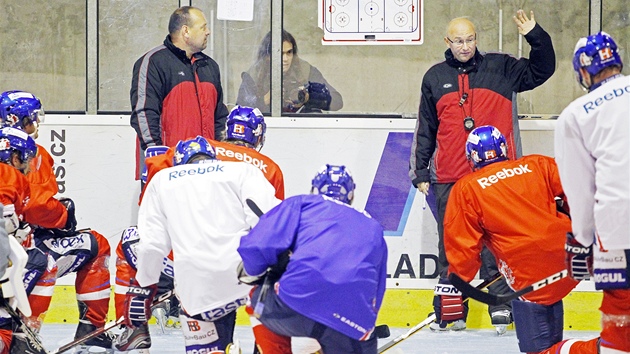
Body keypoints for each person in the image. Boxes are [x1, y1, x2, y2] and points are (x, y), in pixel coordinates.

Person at [408, 9, 556, 332]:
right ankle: (450, 310)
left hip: (496, 179)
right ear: (447, 41)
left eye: (470, 39)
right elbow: (426, 127)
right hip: (449, 177)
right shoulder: (434, 77)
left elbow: (543, 69)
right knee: (452, 246)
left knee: (498, 243)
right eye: (458, 41)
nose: (465, 46)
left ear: (477, 39)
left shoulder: (501, 68)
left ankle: (502, 306)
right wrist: (420, 171)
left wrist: (535, 35)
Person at [112, 106, 286, 352]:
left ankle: (135, 329)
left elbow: (154, 166)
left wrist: (146, 285)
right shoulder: (262, 168)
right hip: (245, 273)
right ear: (258, 136)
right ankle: (264, 346)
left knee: (131, 239)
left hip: (191, 276)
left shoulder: (181, 162)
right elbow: (272, 225)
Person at [443, 125, 601, 353]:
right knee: (549, 317)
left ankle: (601, 348)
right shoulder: (537, 164)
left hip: (529, 272)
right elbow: (582, 189)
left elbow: (463, 248)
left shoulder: (466, 189)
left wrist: (455, 285)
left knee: (538, 350)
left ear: (472, 157)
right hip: (571, 256)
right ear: (504, 148)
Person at [0, 91, 112, 353]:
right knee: (47, 259)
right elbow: (37, 206)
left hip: (15, 242)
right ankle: (25, 333)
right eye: (31, 119)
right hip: (19, 247)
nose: (35, 124)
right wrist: (63, 215)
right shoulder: (27, 155)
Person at [237, 165, 387, 354]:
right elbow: (377, 288)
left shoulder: (302, 203)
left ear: (314, 190)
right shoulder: (373, 227)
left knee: (256, 297)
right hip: (352, 323)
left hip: (293, 306)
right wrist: (364, 329)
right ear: (351, 195)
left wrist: (253, 272)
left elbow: (258, 246)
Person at [555, 32, 630, 354]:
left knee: (620, 325)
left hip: (619, 226)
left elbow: (580, 191)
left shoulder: (576, 114)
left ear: (583, 71)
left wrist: (582, 239)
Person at [130, 5, 229, 179]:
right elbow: (144, 114)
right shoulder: (153, 62)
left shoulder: (210, 67)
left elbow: (219, 117)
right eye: (203, 27)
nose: (208, 32)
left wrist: (220, 155)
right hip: (168, 169)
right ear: (186, 31)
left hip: (207, 169)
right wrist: (159, 159)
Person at [236, 30, 343, 114]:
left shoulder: (306, 70)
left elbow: (337, 101)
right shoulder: (254, 74)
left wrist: (308, 97)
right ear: (268, 56)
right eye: (280, 53)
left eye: (289, 53)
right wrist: (264, 100)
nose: (285, 58)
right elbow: (240, 109)